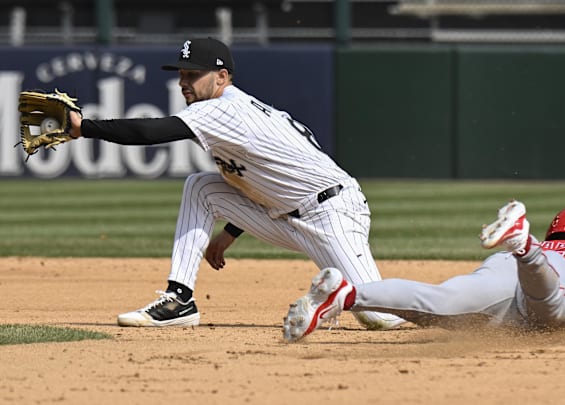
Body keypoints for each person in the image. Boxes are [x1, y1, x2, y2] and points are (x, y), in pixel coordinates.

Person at [66, 37, 404, 330]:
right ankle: (178, 300)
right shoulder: (225, 109)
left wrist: (85, 127)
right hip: (287, 215)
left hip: (331, 212)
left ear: (222, 76)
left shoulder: (223, 110)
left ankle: (450, 306)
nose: (184, 81)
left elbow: (150, 132)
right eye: (182, 74)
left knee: (379, 316)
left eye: (193, 74)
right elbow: (262, 179)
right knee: (202, 188)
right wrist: (229, 234)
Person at [283, 200, 565, 342]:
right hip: (538, 274)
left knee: (440, 304)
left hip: (503, 270)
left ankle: (346, 294)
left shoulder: (554, 244)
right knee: (556, 317)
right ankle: (522, 246)